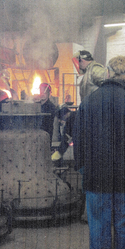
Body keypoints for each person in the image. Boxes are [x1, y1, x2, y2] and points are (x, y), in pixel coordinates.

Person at [73, 55, 125, 249]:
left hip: (96, 178)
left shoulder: (89, 101)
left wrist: (83, 169)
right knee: (123, 226)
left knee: (99, 227)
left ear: (108, 73)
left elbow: (78, 140)